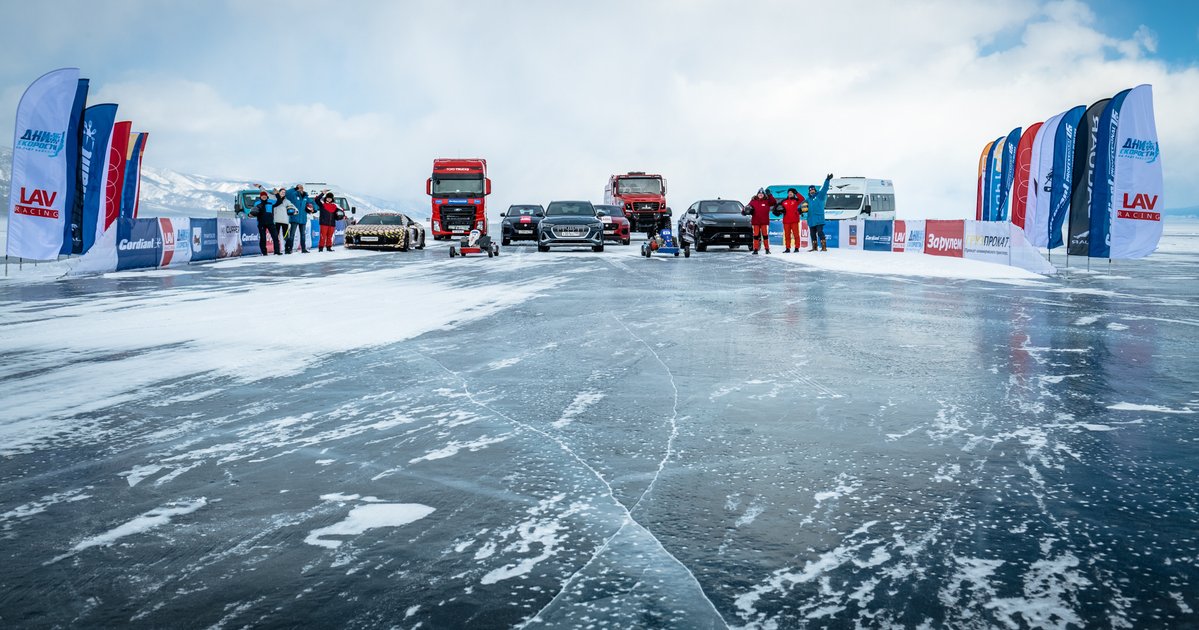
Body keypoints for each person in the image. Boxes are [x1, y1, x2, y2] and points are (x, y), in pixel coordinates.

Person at [743, 188, 777, 254]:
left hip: (764, 222)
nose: (760, 195)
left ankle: (767, 249)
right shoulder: (753, 201)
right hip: (756, 222)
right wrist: (743, 212)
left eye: (762, 194)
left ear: (764, 195)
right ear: (757, 194)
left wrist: (770, 195)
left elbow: (774, 202)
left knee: (765, 236)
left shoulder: (767, 201)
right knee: (756, 236)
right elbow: (747, 207)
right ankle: (755, 249)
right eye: (759, 194)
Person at [250, 186, 282, 256]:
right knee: (263, 238)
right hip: (261, 223)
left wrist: (277, 194)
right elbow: (253, 212)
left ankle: (277, 251)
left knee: (275, 237)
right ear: (260, 197)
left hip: (270, 222)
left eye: (265, 196)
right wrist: (250, 214)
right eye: (262, 196)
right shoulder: (257, 203)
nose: (264, 197)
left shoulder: (271, 202)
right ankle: (264, 252)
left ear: (267, 196)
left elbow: (279, 201)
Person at [807, 174, 833, 252]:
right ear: (809, 191)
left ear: (815, 190)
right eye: (810, 190)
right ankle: (814, 247)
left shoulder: (820, 196)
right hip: (811, 219)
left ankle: (824, 247)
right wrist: (799, 210)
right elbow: (801, 206)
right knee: (812, 234)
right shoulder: (808, 199)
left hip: (819, 219)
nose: (812, 191)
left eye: (813, 189)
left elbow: (825, 188)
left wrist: (827, 180)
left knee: (820, 232)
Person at [285, 184, 311, 253]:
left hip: (303, 219)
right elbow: (286, 193)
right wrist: (294, 189)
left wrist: (313, 209)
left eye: (301, 187)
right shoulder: (293, 195)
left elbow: (311, 203)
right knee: (292, 234)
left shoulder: (306, 196)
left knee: (303, 235)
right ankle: (290, 249)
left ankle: (303, 249)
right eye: (299, 187)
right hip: (294, 218)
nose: (300, 188)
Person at [778, 188, 806, 253]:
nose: (790, 193)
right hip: (786, 221)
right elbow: (777, 208)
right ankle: (787, 248)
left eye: (791, 192)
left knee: (796, 235)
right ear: (787, 193)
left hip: (794, 221)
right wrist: (777, 211)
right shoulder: (784, 201)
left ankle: (797, 248)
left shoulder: (796, 200)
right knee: (787, 236)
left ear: (793, 194)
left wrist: (797, 193)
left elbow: (802, 199)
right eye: (789, 192)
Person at [272, 189, 293, 254]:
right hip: (276, 221)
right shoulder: (274, 199)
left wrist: (294, 211)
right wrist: (260, 187)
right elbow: (266, 194)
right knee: (276, 236)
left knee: (286, 236)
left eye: (284, 192)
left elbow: (293, 207)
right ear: (279, 192)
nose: (283, 193)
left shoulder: (287, 201)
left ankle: (288, 249)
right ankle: (277, 251)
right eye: (282, 192)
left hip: (285, 221)